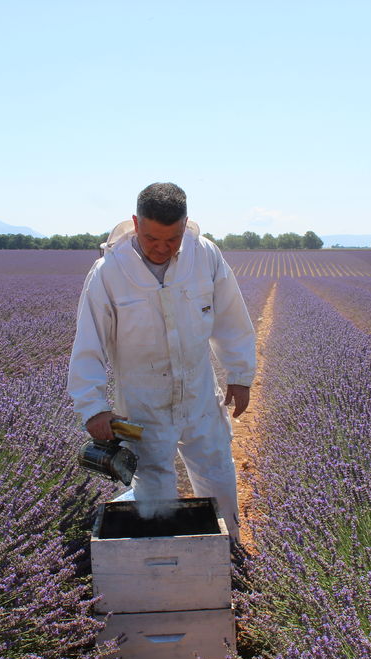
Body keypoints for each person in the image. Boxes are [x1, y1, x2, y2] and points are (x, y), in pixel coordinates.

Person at [67, 182, 256, 540]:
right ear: (136, 223)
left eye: (173, 239)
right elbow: (89, 344)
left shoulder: (205, 255)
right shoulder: (108, 272)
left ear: (185, 225)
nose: (162, 248)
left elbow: (231, 317)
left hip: (199, 393)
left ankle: (228, 547)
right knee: (154, 493)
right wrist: (93, 408)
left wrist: (240, 374)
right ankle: (162, 556)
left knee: (217, 471)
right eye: (152, 238)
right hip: (143, 403)